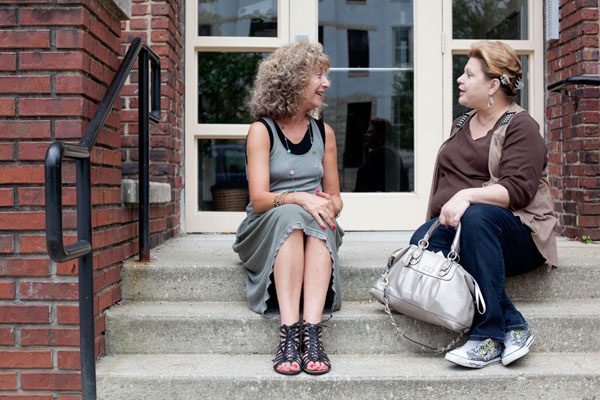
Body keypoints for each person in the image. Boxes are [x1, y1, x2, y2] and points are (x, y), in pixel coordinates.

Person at [410, 41, 557, 368]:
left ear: (493, 85)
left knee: (477, 218)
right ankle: (512, 321)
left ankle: (487, 335)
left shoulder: (521, 126)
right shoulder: (461, 123)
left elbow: (518, 189)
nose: (460, 80)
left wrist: (464, 196)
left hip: (518, 234)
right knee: (423, 238)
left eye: (468, 74)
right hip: (469, 231)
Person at [232, 41, 343, 376]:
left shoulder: (325, 133)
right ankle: (289, 332)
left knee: (318, 218)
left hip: (312, 223)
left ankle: (311, 332)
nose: (326, 83)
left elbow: (336, 199)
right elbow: (260, 199)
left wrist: (325, 203)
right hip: (266, 225)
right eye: (319, 75)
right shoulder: (261, 131)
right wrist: (299, 198)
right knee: (297, 216)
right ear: (294, 80)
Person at [354, 117, 409, 192]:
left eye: (370, 132)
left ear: (380, 135)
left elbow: (368, 187)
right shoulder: (391, 152)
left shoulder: (381, 154)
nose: (365, 135)